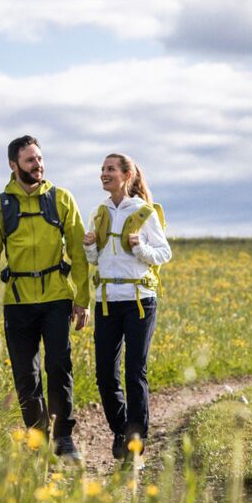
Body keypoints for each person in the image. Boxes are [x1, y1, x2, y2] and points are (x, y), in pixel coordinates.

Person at [0, 136, 90, 460]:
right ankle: (37, 438)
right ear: (13, 166)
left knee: (59, 367)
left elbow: (79, 253)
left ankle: (64, 438)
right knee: (26, 376)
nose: (38, 165)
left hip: (56, 299)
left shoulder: (61, 199)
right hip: (17, 303)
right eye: (30, 161)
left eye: (39, 159)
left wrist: (83, 299)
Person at [83, 153, 171, 463]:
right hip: (107, 300)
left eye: (110, 169)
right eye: (103, 169)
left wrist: (141, 248)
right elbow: (93, 260)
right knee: (105, 374)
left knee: (135, 371)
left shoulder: (145, 212)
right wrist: (90, 245)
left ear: (127, 175)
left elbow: (164, 253)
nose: (104, 174)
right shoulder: (99, 213)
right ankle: (120, 429)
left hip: (139, 300)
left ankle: (135, 437)